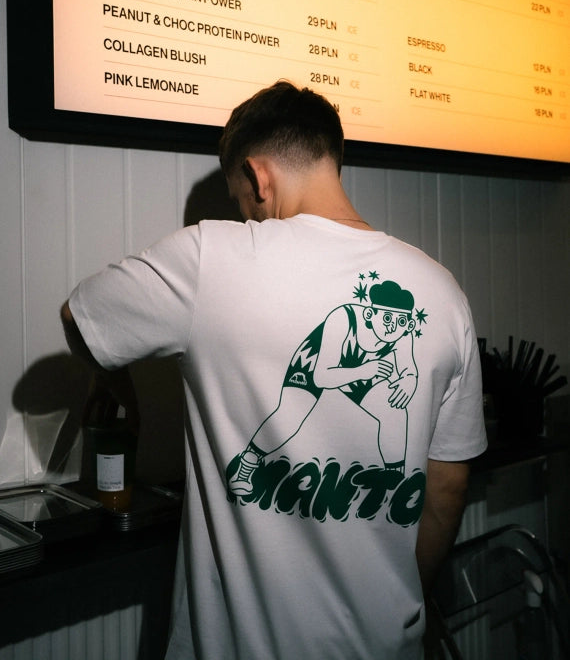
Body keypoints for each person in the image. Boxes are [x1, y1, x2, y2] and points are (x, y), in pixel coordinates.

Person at [61, 80, 487, 660]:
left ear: (257, 176)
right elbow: (447, 484)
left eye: (240, 199)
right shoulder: (443, 291)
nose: (246, 213)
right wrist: (402, 594)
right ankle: (260, 463)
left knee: (389, 418)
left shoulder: (211, 256)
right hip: (386, 642)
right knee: (291, 417)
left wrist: (110, 378)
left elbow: (80, 319)